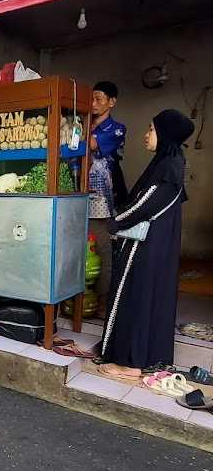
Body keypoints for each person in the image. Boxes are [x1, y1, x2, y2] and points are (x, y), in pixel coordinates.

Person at [100, 109, 195, 379]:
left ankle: (130, 363)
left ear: (165, 134)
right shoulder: (169, 162)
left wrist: (116, 221)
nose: (146, 135)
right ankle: (139, 358)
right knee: (144, 298)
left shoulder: (168, 167)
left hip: (145, 246)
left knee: (136, 298)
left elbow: (145, 205)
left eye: (151, 129)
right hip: (154, 245)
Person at [88, 82, 127, 317]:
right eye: (90, 99)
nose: (93, 104)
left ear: (112, 102)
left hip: (102, 200)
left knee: (103, 250)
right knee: (80, 250)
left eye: (99, 99)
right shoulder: (84, 124)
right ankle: (80, 298)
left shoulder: (116, 129)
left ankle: (103, 302)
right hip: (78, 195)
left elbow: (91, 146)